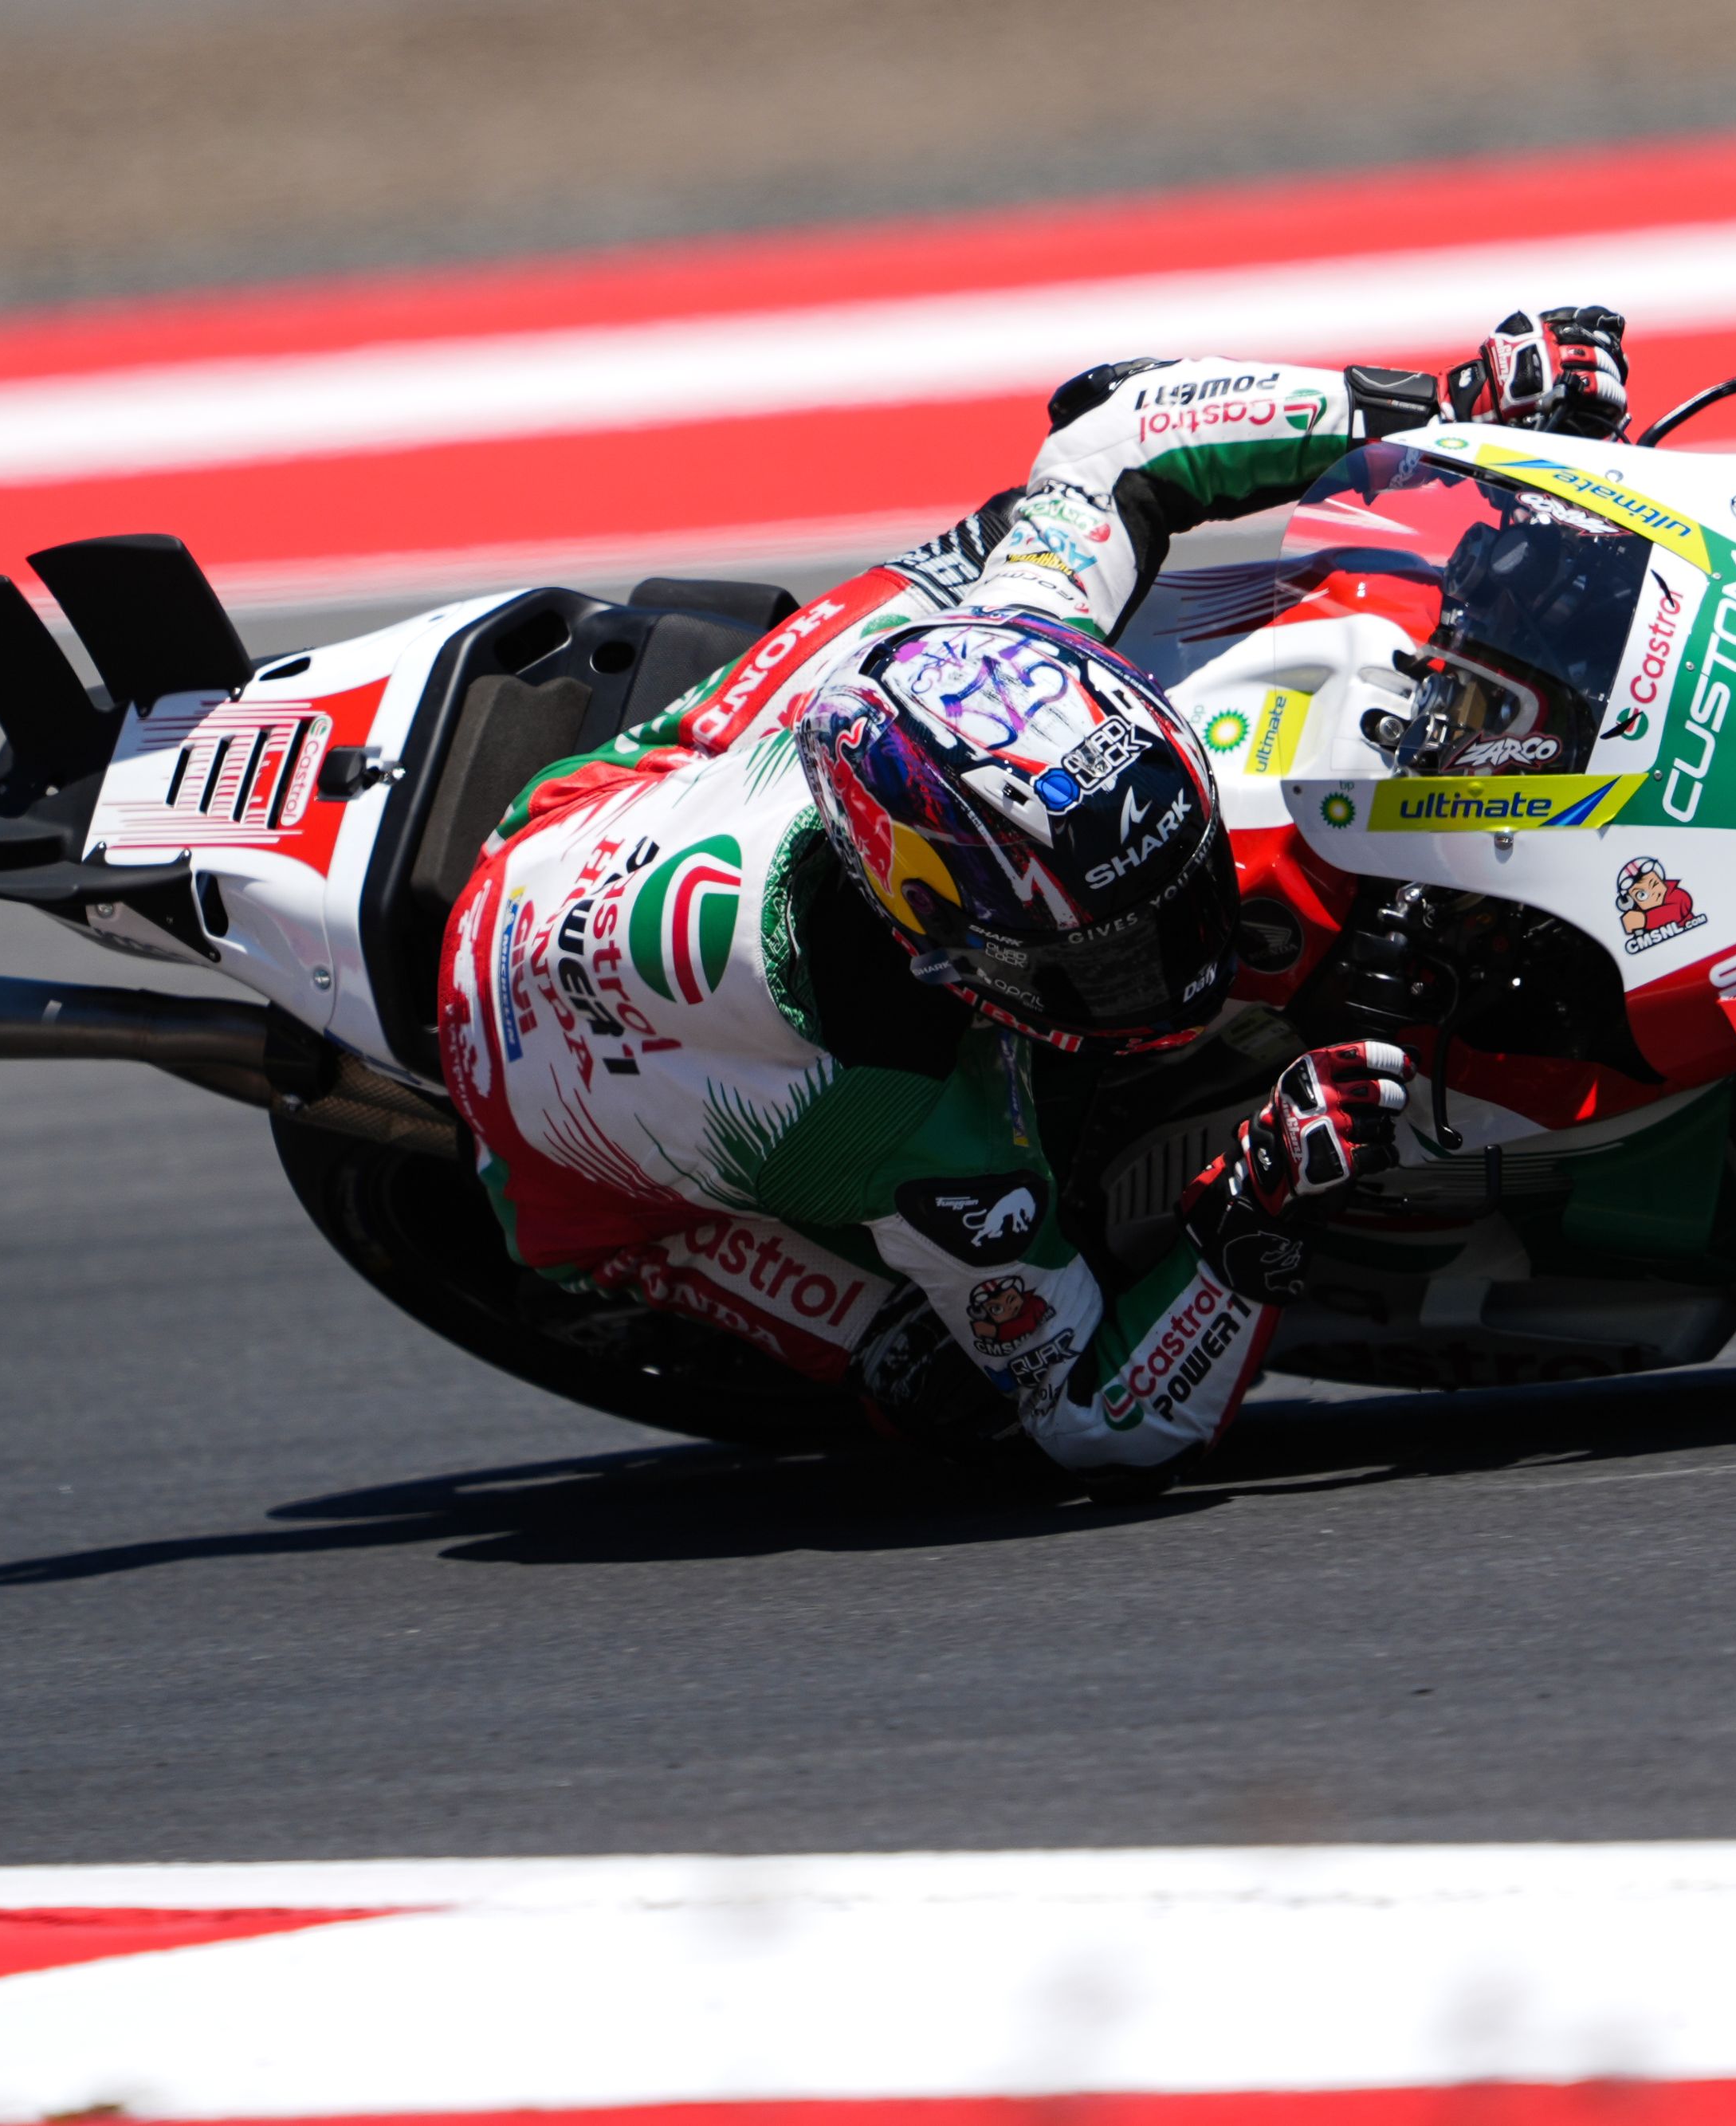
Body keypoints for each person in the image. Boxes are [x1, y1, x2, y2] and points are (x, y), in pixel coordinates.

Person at [434, 307, 1632, 1497]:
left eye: (1183, 898)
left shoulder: (993, 640)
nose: (1190, 963)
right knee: (942, 1384)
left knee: (991, 554)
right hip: (550, 1150)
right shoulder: (917, 1132)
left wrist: (1450, 405)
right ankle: (718, 1288)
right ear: (949, 954)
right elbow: (1100, 1419)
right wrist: (1258, 1204)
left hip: (586, 818)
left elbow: (1118, 427)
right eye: (1115, 963)